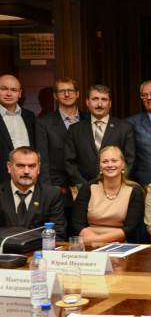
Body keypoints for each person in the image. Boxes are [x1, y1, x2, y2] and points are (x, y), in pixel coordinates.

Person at [38, 78, 90, 223]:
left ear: (77, 94)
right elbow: (43, 159)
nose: (66, 94)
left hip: (87, 184)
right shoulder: (43, 123)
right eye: (62, 91)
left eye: (70, 90)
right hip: (59, 188)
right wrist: (48, 190)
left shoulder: (89, 119)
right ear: (55, 95)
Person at [64, 85, 136, 185]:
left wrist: (115, 184)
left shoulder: (125, 128)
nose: (99, 104)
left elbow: (130, 161)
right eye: (95, 99)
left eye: (104, 99)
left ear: (110, 103)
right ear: (87, 102)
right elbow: (69, 162)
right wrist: (85, 186)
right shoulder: (75, 130)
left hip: (116, 187)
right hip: (85, 188)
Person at [71, 146, 144, 243]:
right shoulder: (88, 188)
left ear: (123, 164)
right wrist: (99, 243)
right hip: (88, 243)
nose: (109, 165)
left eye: (114, 161)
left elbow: (130, 228)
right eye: (105, 161)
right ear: (100, 166)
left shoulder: (135, 191)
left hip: (118, 243)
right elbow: (77, 224)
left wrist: (99, 241)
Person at [0, 146, 66, 240]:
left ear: (38, 168)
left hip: (39, 248)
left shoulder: (52, 194)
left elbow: (58, 234)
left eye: (32, 166)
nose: (26, 171)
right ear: (9, 167)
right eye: (20, 165)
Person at [0, 74, 49, 184]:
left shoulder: (29, 116)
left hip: (29, 178)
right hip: (2, 181)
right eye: (4, 89)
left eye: (14, 90)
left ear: (20, 93)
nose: (9, 94)